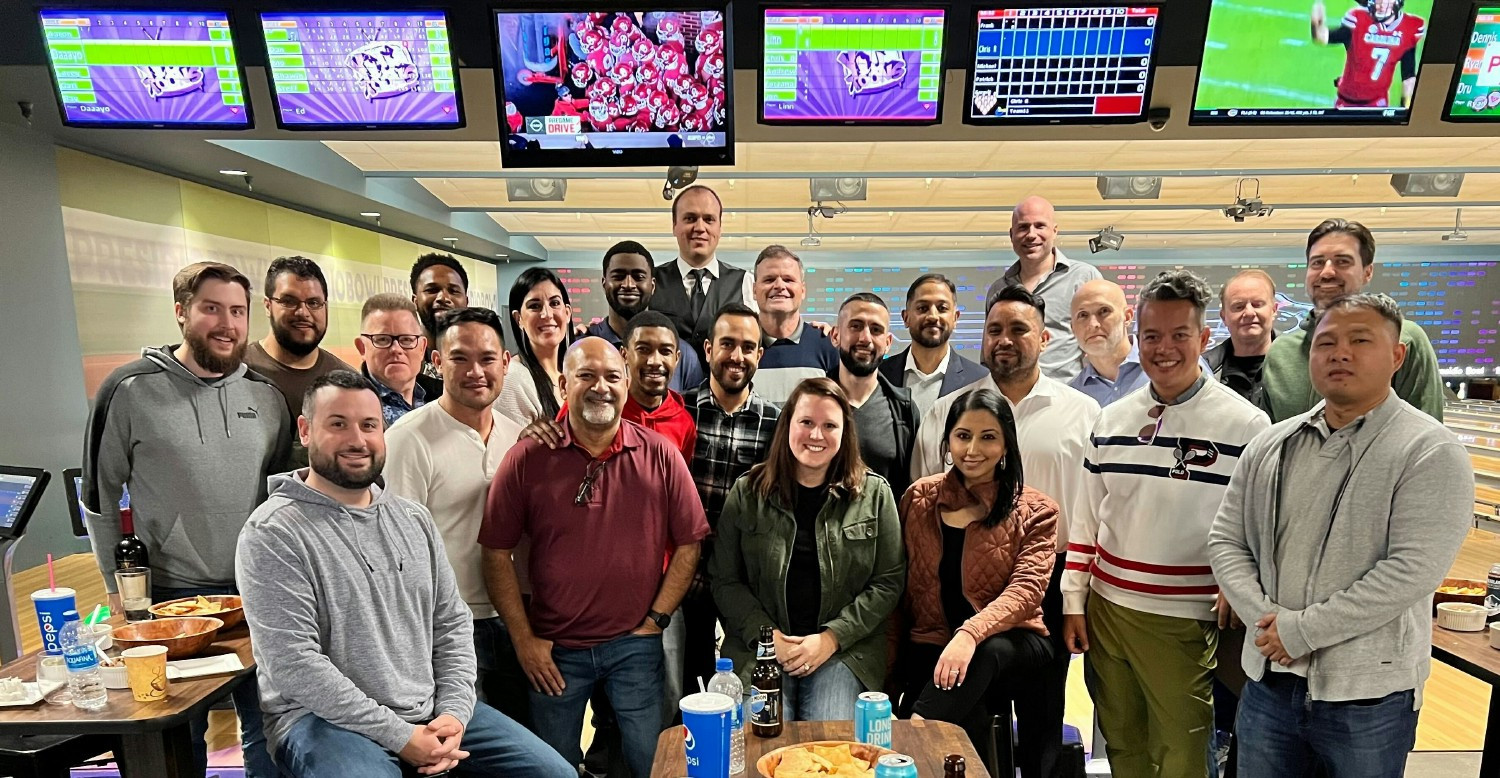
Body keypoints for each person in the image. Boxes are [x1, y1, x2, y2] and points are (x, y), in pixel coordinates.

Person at [237, 371, 575, 778]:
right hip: (321, 722)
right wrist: (400, 736)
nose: (357, 440)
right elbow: (294, 665)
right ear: (306, 431)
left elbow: (451, 623)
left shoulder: (412, 518)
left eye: (369, 425)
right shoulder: (273, 532)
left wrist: (454, 714)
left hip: (430, 709)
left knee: (554, 774)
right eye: (338, 424)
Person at [1209, 294, 1471, 778]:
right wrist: (1266, 623)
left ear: (1397, 356)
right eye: (1325, 342)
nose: (1339, 352)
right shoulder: (1271, 443)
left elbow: (1410, 572)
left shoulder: (1430, 451)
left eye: (1360, 340)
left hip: (1368, 698)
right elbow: (1226, 540)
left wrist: (1300, 631)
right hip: (1268, 684)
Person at [81, 261, 289, 778]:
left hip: (256, 592)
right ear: (181, 312)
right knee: (175, 732)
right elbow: (99, 494)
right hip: (170, 597)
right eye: (211, 308)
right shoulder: (128, 390)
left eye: (237, 311)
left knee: (268, 728)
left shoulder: (266, 398)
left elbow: (287, 499)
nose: (227, 323)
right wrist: (117, 589)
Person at [1061, 270, 1271, 778]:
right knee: (1123, 746)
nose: (1164, 348)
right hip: (1108, 611)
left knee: (1182, 756)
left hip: (1186, 615)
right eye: (1152, 336)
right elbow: (1087, 519)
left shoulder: (1245, 426)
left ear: (1203, 338)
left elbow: (1260, 526)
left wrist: (1240, 586)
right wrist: (1074, 600)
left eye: (1180, 335)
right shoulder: (1112, 421)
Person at [481, 338, 709, 778]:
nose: (599, 387)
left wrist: (657, 620)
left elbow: (689, 544)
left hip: (634, 646)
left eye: (611, 377)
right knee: (551, 769)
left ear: (626, 384)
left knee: (652, 763)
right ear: (565, 384)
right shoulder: (528, 457)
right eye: (586, 376)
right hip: (553, 652)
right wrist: (525, 640)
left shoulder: (660, 454)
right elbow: (495, 553)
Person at [911, 285, 1099, 777]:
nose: (1005, 339)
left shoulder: (1081, 412)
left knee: (1042, 719)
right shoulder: (946, 409)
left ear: (1044, 336)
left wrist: (1077, 594)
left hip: (1045, 581)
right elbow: (926, 507)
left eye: (1018, 329)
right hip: (957, 584)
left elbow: (1096, 511)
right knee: (973, 718)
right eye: (994, 330)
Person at [712, 377, 905, 721]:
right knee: (761, 743)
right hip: (760, 650)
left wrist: (832, 637)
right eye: (806, 423)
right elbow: (725, 581)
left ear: (845, 433)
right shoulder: (747, 493)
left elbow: (888, 582)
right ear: (788, 425)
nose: (816, 435)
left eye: (829, 425)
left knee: (827, 749)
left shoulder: (876, 495)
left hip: (844, 651)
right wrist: (770, 639)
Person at [895, 389, 1059, 777]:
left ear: (1006, 446)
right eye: (963, 435)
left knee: (984, 655)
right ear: (948, 440)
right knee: (966, 706)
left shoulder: (1036, 510)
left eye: (988, 437)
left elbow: (1025, 593)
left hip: (1013, 644)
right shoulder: (918, 499)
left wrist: (968, 635)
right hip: (934, 641)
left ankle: (913, 732)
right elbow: (898, 592)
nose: (973, 448)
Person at [383, 308, 529, 726]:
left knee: (520, 736)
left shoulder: (516, 434)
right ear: (436, 361)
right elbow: (398, 556)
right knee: (457, 744)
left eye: (487, 359)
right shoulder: (407, 441)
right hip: (446, 629)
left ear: (505, 363)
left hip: (512, 615)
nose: (475, 371)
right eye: (459, 358)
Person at [680, 303, 782, 714]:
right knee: (688, 685)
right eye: (727, 344)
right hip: (684, 578)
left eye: (747, 347)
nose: (736, 356)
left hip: (746, 579)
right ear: (707, 349)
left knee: (747, 684)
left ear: (760, 355)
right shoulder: (679, 410)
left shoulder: (778, 423)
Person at [1264, 219, 1443, 422]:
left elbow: (1426, 433)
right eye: (1317, 262)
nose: (1327, 272)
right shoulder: (1280, 352)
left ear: (1367, 272)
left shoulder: (1406, 338)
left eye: (1342, 262)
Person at [244, 256, 354, 466]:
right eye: (288, 301)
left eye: (313, 303)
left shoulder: (346, 379)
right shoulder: (238, 372)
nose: (303, 312)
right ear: (268, 306)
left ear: (326, 307)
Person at [984, 196, 1103, 383]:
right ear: (1011, 234)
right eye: (1023, 227)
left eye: (1040, 226)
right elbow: (989, 352)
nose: (1031, 234)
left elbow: (1102, 343)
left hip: (1067, 399)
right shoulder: (998, 290)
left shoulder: (1084, 278)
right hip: (1010, 400)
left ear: (1055, 231)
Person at [652, 185, 755, 363]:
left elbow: (766, 336)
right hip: (665, 389)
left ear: (720, 228)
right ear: (675, 226)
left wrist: (815, 330)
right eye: (690, 218)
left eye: (709, 220)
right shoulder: (651, 281)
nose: (700, 227)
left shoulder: (744, 282)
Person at [830, 292, 920, 496]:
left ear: (888, 342)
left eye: (876, 330)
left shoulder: (903, 410)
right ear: (835, 335)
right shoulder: (808, 405)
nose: (865, 338)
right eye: (856, 326)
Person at [586, 240, 705, 393]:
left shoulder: (684, 356)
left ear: (652, 285)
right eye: (618, 276)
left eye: (638, 276)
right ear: (604, 283)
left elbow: (692, 414)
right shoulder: (583, 345)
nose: (628, 284)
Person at [878, 273, 986, 419]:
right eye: (923, 308)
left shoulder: (980, 380)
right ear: (906, 318)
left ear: (955, 318)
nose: (933, 316)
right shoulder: (879, 376)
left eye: (942, 308)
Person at [752, 245, 840, 405]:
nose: (779, 286)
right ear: (754, 290)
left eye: (788, 279)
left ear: (803, 290)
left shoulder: (826, 345)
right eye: (769, 279)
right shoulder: (741, 348)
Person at [1311, 0, 1425, 109]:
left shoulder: (1409, 27)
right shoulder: (1358, 19)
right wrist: (1316, 23)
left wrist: (1405, 110)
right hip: (1346, 101)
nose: (1380, 5)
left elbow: (1408, 77)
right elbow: (1322, 37)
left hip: (1377, 102)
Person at [495, 267, 573, 425]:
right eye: (534, 306)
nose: (547, 314)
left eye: (554, 303)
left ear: (567, 313)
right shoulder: (513, 378)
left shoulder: (572, 372)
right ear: (519, 319)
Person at [1206, 270, 1278, 415]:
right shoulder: (1204, 371)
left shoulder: (1301, 365)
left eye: (1257, 304)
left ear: (1274, 310)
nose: (1249, 313)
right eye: (1239, 306)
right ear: (1223, 316)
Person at [356, 294, 430, 427]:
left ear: (422, 348)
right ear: (362, 348)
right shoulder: (349, 407)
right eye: (383, 339)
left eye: (407, 339)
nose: (396, 349)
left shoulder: (443, 398)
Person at [410, 253, 470, 397]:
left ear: (466, 301)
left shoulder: (479, 359)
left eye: (453, 291)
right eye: (432, 290)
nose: (443, 298)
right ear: (415, 300)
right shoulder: (403, 359)